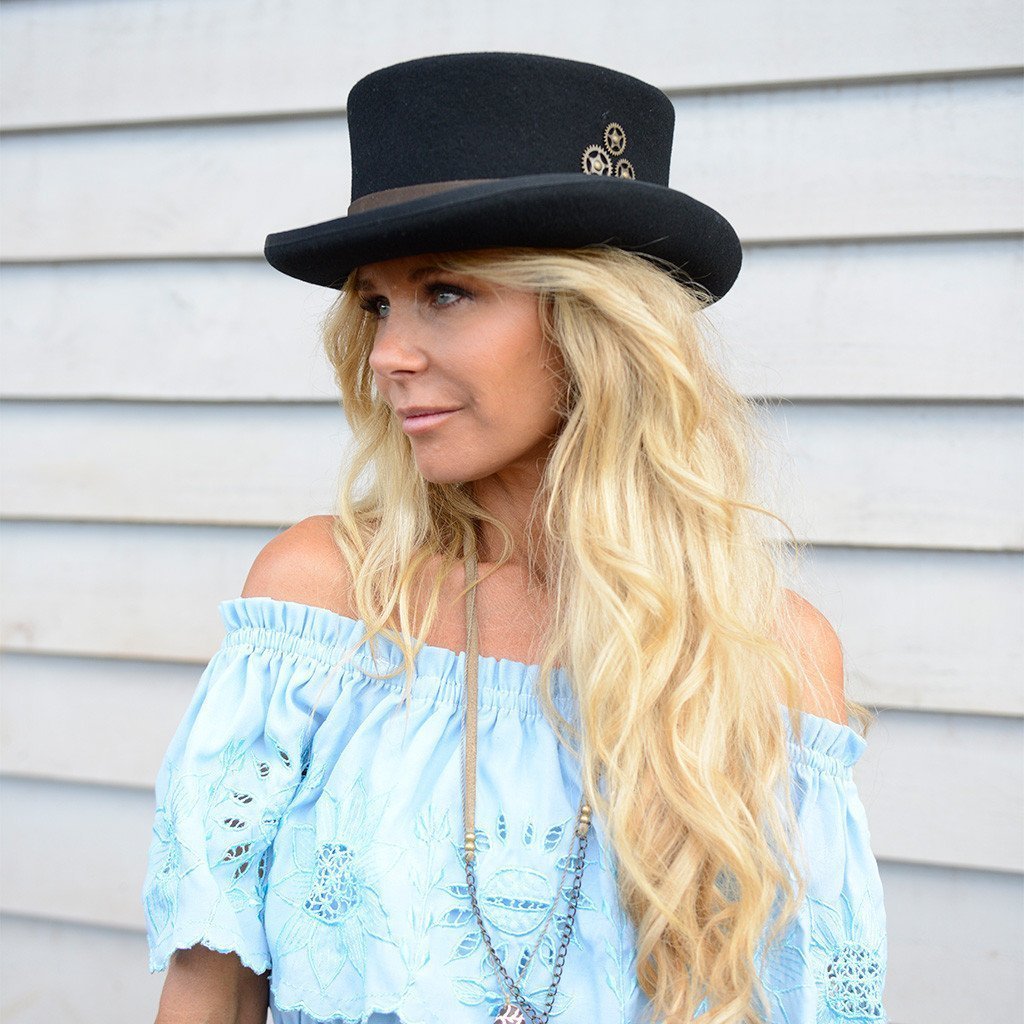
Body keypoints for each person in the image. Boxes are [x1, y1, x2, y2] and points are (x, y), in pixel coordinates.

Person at [143, 52, 888, 1024]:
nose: (388, 354)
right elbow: (211, 984)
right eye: (374, 301)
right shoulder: (320, 604)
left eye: (445, 292)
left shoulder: (766, 658)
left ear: (592, 325)